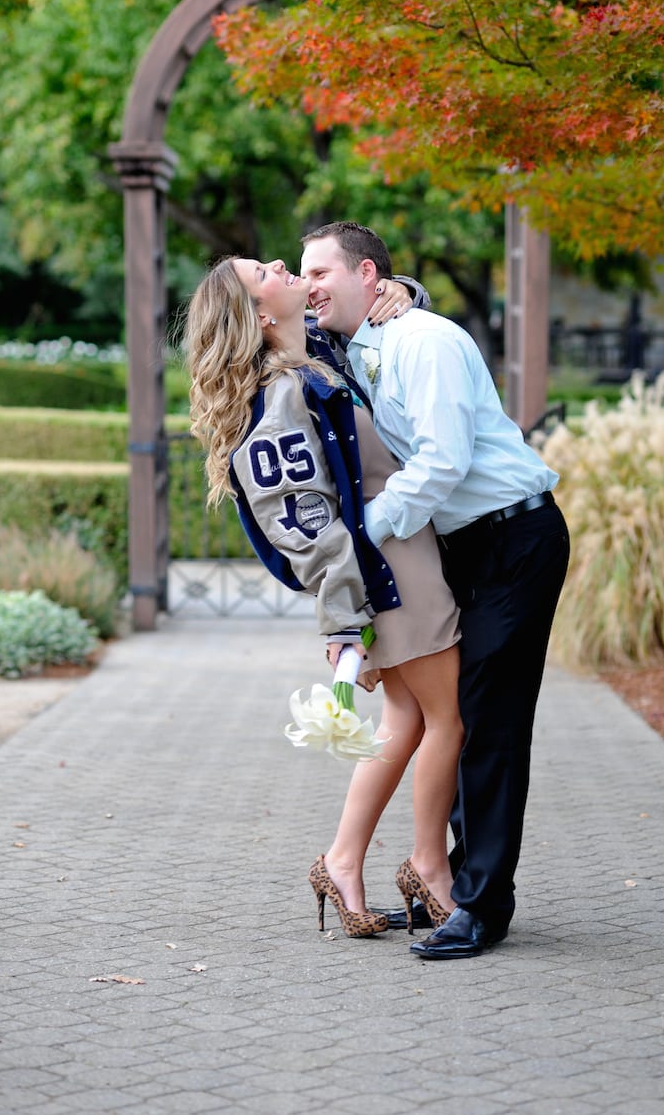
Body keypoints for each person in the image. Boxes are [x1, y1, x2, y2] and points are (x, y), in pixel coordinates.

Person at [300, 222, 571, 959]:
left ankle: (481, 907)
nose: (309, 285)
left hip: (514, 538)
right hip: (458, 548)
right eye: (303, 275)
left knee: (488, 721)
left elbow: (443, 463)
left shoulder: (425, 342)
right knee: (446, 711)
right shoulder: (354, 344)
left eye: (321, 272)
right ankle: (442, 877)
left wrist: (362, 537)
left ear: (366, 273)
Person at [185, 256, 464, 941]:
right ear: (256, 313)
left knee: (407, 719)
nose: (282, 264)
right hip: (390, 572)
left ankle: (343, 861)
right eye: (266, 270)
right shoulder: (276, 402)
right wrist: (346, 618)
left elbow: (370, 314)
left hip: (401, 557)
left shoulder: (317, 355)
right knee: (450, 717)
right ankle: (430, 869)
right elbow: (306, 527)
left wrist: (402, 293)